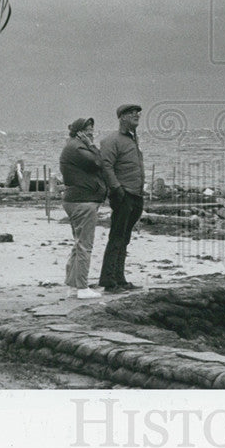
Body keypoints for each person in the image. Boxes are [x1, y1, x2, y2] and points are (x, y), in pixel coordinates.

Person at [59, 117, 112, 300]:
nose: (91, 132)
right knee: (84, 246)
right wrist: (92, 145)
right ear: (79, 132)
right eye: (87, 129)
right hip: (83, 201)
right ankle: (82, 287)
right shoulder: (77, 147)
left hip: (78, 200)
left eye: (92, 128)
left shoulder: (74, 146)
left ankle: (73, 285)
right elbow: (98, 162)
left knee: (78, 244)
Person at [98, 103, 145, 292]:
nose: (136, 115)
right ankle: (108, 281)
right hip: (124, 194)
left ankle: (120, 278)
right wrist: (117, 189)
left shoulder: (133, 139)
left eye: (137, 113)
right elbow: (106, 166)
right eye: (131, 113)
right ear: (122, 117)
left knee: (124, 238)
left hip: (136, 195)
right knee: (117, 236)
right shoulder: (112, 140)